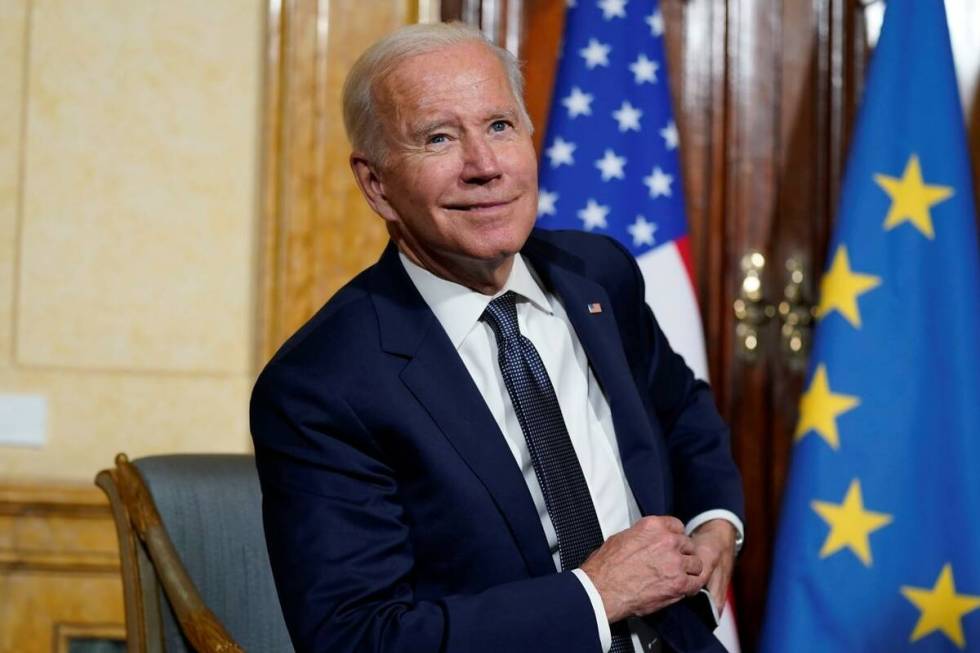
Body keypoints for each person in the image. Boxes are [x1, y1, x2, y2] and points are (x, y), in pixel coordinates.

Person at [250, 22, 744, 653]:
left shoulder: (598, 273)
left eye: (500, 126)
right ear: (376, 185)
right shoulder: (322, 386)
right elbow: (356, 639)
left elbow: (681, 410)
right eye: (438, 138)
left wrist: (716, 520)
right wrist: (596, 595)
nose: (483, 167)